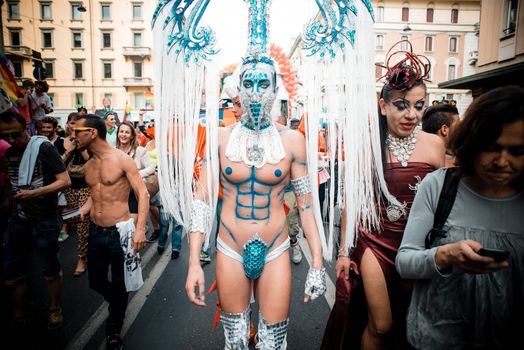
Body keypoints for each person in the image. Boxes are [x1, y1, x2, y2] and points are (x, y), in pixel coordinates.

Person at [185, 51, 326, 347]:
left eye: (264, 84)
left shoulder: (292, 141)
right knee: (235, 341)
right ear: (239, 89)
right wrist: (194, 263)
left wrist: (316, 262)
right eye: (248, 84)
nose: (256, 92)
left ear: (275, 90)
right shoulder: (220, 138)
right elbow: (202, 202)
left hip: (275, 246)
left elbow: (307, 207)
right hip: (230, 246)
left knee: (273, 342)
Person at [324, 42, 445, 350]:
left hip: (418, 245)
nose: (411, 115)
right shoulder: (368, 146)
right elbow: (353, 200)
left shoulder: (434, 145)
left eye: (418, 106)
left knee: (413, 324)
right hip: (375, 243)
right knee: (382, 325)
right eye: (401, 105)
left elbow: (444, 201)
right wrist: (342, 251)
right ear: (383, 106)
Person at [396, 85, 524, 349]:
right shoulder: (438, 186)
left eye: (517, 151)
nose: (502, 161)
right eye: (492, 148)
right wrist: (445, 256)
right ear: (473, 141)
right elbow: (405, 261)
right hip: (437, 339)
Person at [73, 114, 148, 350]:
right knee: (95, 281)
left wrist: (140, 230)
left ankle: (113, 330)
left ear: (92, 132)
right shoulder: (89, 165)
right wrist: (84, 209)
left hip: (120, 233)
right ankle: (116, 302)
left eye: (77, 131)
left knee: (120, 283)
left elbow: (142, 194)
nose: (73, 135)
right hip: (96, 231)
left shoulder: (122, 160)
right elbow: (96, 196)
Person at [0, 110, 71, 331]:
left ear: (26, 128)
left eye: (16, 134)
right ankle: (20, 315)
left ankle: (55, 308)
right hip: (18, 220)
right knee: (12, 271)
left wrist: (33, 194)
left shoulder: (44, 148)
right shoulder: (9, 153)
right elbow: (9, 185)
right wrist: (11, 198)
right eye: (6, 136)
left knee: (50, 268)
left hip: (45, 220)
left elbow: (64, 181)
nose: (11, 140)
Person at [62, 112, 91, 276]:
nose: (74, 127)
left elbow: (91, 162)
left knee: (82, 223)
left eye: (78, 125)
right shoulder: (62, 142)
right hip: (68, 189)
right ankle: (87, 247)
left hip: (85, 188)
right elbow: (58, 164)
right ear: (67, 124)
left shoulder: (86, 143)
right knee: (72, 219)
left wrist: (80, 147)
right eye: (72, 123)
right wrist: (70, 149)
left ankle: (82, 258)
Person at [115, 121, 156, 231]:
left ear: (132, 135)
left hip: (134, 193)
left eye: (127, 132)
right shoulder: (113, 151)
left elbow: (151, 168)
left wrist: (134, 175)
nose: (123, 134)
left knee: (132, 227)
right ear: (117, 134)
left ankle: (142, 229)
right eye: (121, 131)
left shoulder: (139, 151)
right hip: (118, 194)